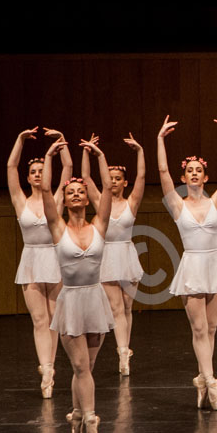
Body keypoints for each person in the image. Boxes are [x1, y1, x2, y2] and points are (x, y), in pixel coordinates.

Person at [40, 136, 116, 433]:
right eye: (70, 191)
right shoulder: (58, 228)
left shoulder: (99, 226)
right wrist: (48, 156)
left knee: (85, 368)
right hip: (71, 301)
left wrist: (99, 155)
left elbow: (108, 188)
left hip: (95, 300)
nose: (74, 194)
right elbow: (46, 191)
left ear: (86, 198)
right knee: (81, 367)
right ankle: (91, 420)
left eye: (79, 191)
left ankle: (76, 415)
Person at [158, 114, 217, 410]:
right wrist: (160, 140)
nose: (194, 173)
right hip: (192, 266)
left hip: (214, 265)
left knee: (212, 328)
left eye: (198, 170)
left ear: (205, 177)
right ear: (184, 178)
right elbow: (162, 171)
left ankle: (203, 379)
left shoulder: (216, 202)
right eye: (189, 170)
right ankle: (211, 381)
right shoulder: (177, 205)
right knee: (200, 330)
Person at [7, 126, 72, 398]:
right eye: (33, 172)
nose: (36, 174)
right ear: (28, 177)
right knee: (38, 319)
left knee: (53, 318)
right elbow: (11, 167)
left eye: (41, 171)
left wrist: (61, 142)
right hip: (31, 259)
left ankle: (50, 367)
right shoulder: (20, 201)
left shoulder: (56, 199)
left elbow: (68, 166)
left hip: (53, 258)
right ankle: (45, 369)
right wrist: (19, 140)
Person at [81, 133, 146, 375]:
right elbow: (86, 178)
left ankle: (125, 349)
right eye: (111, 179)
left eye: (118, 179)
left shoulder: (131, 203)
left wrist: (140, 151)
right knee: (116, 307)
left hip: (127, 255)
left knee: (127, 307)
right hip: (108, 255)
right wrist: (87, 152)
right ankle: (122, 354)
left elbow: (141, 177)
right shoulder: (100, 201)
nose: (115, 182)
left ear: (124, 183)